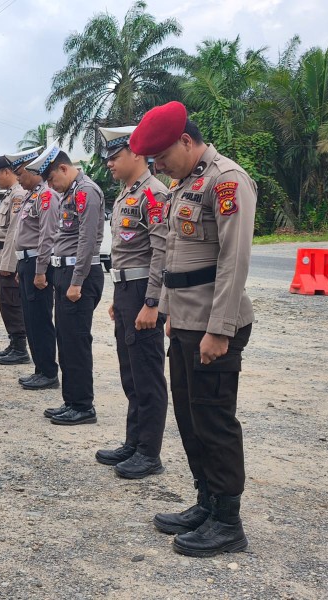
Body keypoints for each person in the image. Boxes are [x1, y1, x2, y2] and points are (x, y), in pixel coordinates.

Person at [129, 101, 256, 557]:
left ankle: (228, 520)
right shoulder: (186, 183)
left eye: (162, 156)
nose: (157, 166)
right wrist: (165, 310)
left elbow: (233, 260)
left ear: (186, 140)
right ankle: (206, 500)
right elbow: (176, 255)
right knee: (189, 417)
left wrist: (219, 329)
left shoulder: (226, 180)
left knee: (214, 420)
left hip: (212, 325)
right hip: (184, 323)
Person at [94, 126, 169, 479]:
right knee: (131, 372)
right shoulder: (127, 193)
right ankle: (133, 441)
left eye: (114, 157)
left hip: (144, 293)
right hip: (126, 291)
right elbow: (124, 253)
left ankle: (149, 453)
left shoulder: (153, 193)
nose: (109, 163)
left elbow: (160, 252)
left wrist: (152, 301)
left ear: (137, 154)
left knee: (148, 374)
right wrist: (116, 295)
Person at [27, 141, 105, 425]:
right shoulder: (71, 192)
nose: (51, 185)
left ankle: (83, 406)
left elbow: (86, 240)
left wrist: (77, 282)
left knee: (77, 341)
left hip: (79, 276)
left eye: (51, 179)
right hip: (64, 273)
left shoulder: (86, 192)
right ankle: (71, 401)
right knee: (66, 340)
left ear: (63, 168)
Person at [5, 146, 61, 388]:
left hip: (38, 264)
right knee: (31, 319)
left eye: (21, 174)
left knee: (40, 320)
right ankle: (40, 368)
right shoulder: (31, 196)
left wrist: (40, 270)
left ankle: (48, 372)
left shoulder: (46, 196)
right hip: (26, 262)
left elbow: (47, 237)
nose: (18, 179)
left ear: (33, 170)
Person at [0, 155, 29, 365]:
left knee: (12, 302)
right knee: (5, 301)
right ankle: (14, 342)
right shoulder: (10, 194)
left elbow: (14, 231)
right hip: (0, 254)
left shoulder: (19, 194)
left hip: (7, 255)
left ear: (6, 171)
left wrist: (9, 264)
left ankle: (21, 347)